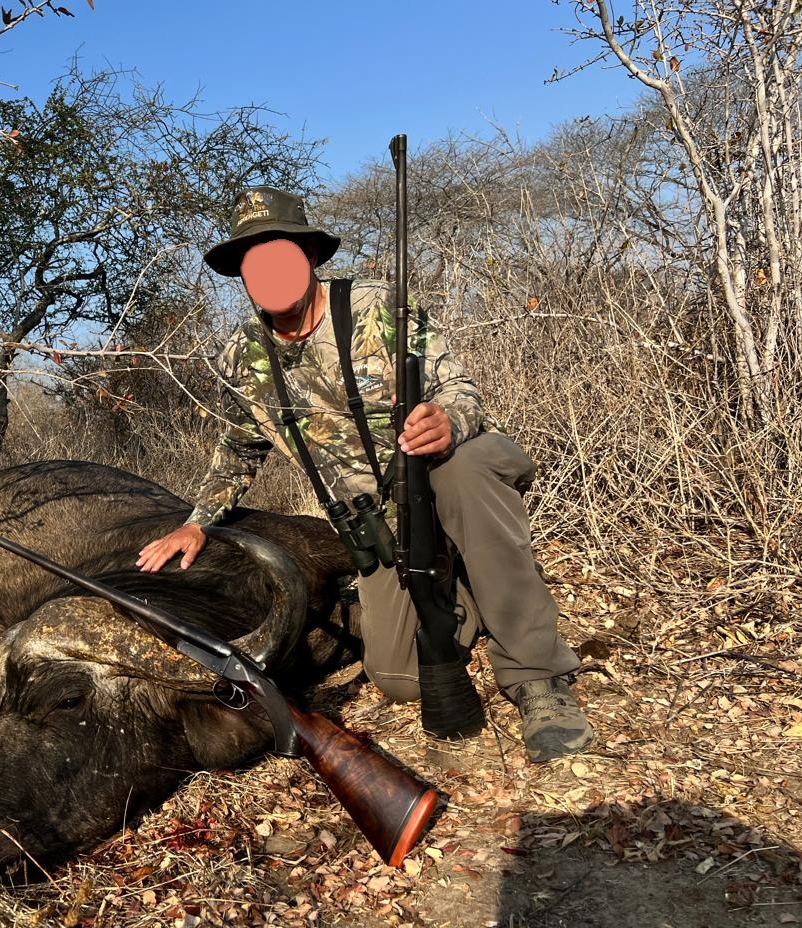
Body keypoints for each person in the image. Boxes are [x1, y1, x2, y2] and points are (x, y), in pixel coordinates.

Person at [136, 186, 594, 763]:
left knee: (466, 471)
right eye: (254, 262)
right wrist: (196, 523)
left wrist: (447, 421)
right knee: (400, 677)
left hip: (447, 468)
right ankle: (467, 580)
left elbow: (461, 391)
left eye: (280, 254)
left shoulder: (381, 307)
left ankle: (537, 677)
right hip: (375, 519)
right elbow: (238, 447)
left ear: (309, 257)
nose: (270, 272)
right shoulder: (239, 355)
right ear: (243, 277)